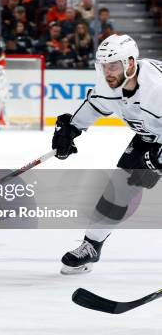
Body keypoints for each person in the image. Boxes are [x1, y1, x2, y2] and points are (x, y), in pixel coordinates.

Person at [52, 34, 162, 274]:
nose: (107, 72)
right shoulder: (108, 83)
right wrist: (71, 129)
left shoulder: (157, 88)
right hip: (151, 137)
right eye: (104, 66)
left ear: (130, 63)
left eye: (113, 65)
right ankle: (91, 246)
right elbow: (94, 106)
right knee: (119, 188)